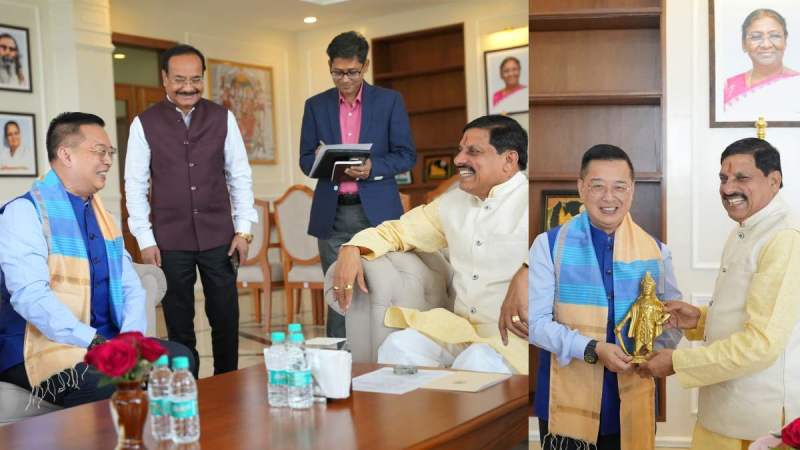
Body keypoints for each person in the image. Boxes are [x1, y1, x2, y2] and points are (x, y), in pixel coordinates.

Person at [0, 112, 193, 408]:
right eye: (99, 152)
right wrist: (92, 341)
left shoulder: (105, 219)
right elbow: (30, 296)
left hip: (105, 344)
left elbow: (131, 287)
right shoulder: (23, 213)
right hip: (39, 350)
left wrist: (130, 340)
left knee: (181, 358)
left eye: (110, 153)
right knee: (111, 384)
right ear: (66, 154)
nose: (107, 160)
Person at [332, 115, 528, 374]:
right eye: (460, 150)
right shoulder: (452, 203)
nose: (459, 160)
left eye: (473, 151)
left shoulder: (535, 201)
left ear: (509, 160)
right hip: (462, 331)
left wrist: (528, 270)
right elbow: (398, 231)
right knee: (398, 348)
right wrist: (352, 248)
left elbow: (566, 251)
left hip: (515, 340)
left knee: (476, 365)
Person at [637, 138, 800, 450]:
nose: (728, 189)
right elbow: (748, 311)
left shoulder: (784, 237)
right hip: (724, 409)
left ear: (774, 180)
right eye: (723, 178)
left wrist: (679, 362)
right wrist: (698, 319)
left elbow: (762, 343)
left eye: (742, 178)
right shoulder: (747, 228)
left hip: (755, 421)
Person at [530, 144, 682, 450]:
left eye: (619, 187)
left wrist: (653, 354)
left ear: (632, 190)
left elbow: (671, 318)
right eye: (597, 186)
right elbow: (536, 324)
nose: (608, 197)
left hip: (631, 395)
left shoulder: (656, 251)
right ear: (581, 189)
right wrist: (591, 349)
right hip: (567, 402)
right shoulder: (548, 246)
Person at [125, 44, 257, 377]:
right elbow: (135, 186)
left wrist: (243, 230)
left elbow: (240, 176)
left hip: (220, 238)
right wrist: (145, 239)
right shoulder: (144, 124)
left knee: (225, 318)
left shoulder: (222, 117)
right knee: (179, 323)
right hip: (170, 241)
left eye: (196, 79)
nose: (188, 87)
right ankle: (189, 387)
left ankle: (228, 385)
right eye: (180, 79)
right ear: (165, 79)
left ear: (203, 79)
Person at [299, 31, 416, 338]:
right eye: (337, 72)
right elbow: (304, 159)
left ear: (365, 66)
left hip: (377, 214)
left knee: (383, 288)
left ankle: (384, 357)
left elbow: (406, 155)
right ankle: (339, 363)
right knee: (338, 294)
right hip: (333, 212)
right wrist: (324, 160)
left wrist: (373, 167)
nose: (345, 79)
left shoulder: (389, 101)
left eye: (351, 72)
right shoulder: (315, 105)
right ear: (330, 67)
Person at [724, 9, 800, 112]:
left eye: (774, 36)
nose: (766, 45)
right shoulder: (729, 88)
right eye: (756, 37)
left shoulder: (796, 83)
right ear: (744, 44)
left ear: (785, 41)